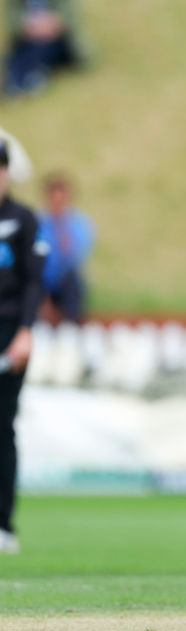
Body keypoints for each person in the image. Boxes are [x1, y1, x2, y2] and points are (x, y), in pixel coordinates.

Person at [0, 139, 46, 554]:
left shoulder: (24, 219)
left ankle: (3, 525)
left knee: (2, 427)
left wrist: (25, 332)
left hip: (9, 336)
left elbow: (35, 282)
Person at [36, 172, 93, 324]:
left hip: (65, 282)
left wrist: (61, 228)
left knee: (72, 279)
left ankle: (71, 325)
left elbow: (74, 258)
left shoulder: (79, 224)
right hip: (42, 281)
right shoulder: (37, 222)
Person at [3, 0, 87, 96]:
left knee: (42, 49)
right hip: (28, 40)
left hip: (57, 39)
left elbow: (69, 16)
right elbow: (12, 20)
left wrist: (52, 23)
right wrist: (29, 26)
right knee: (21, 54)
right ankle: (16, 84)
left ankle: (27, 80)